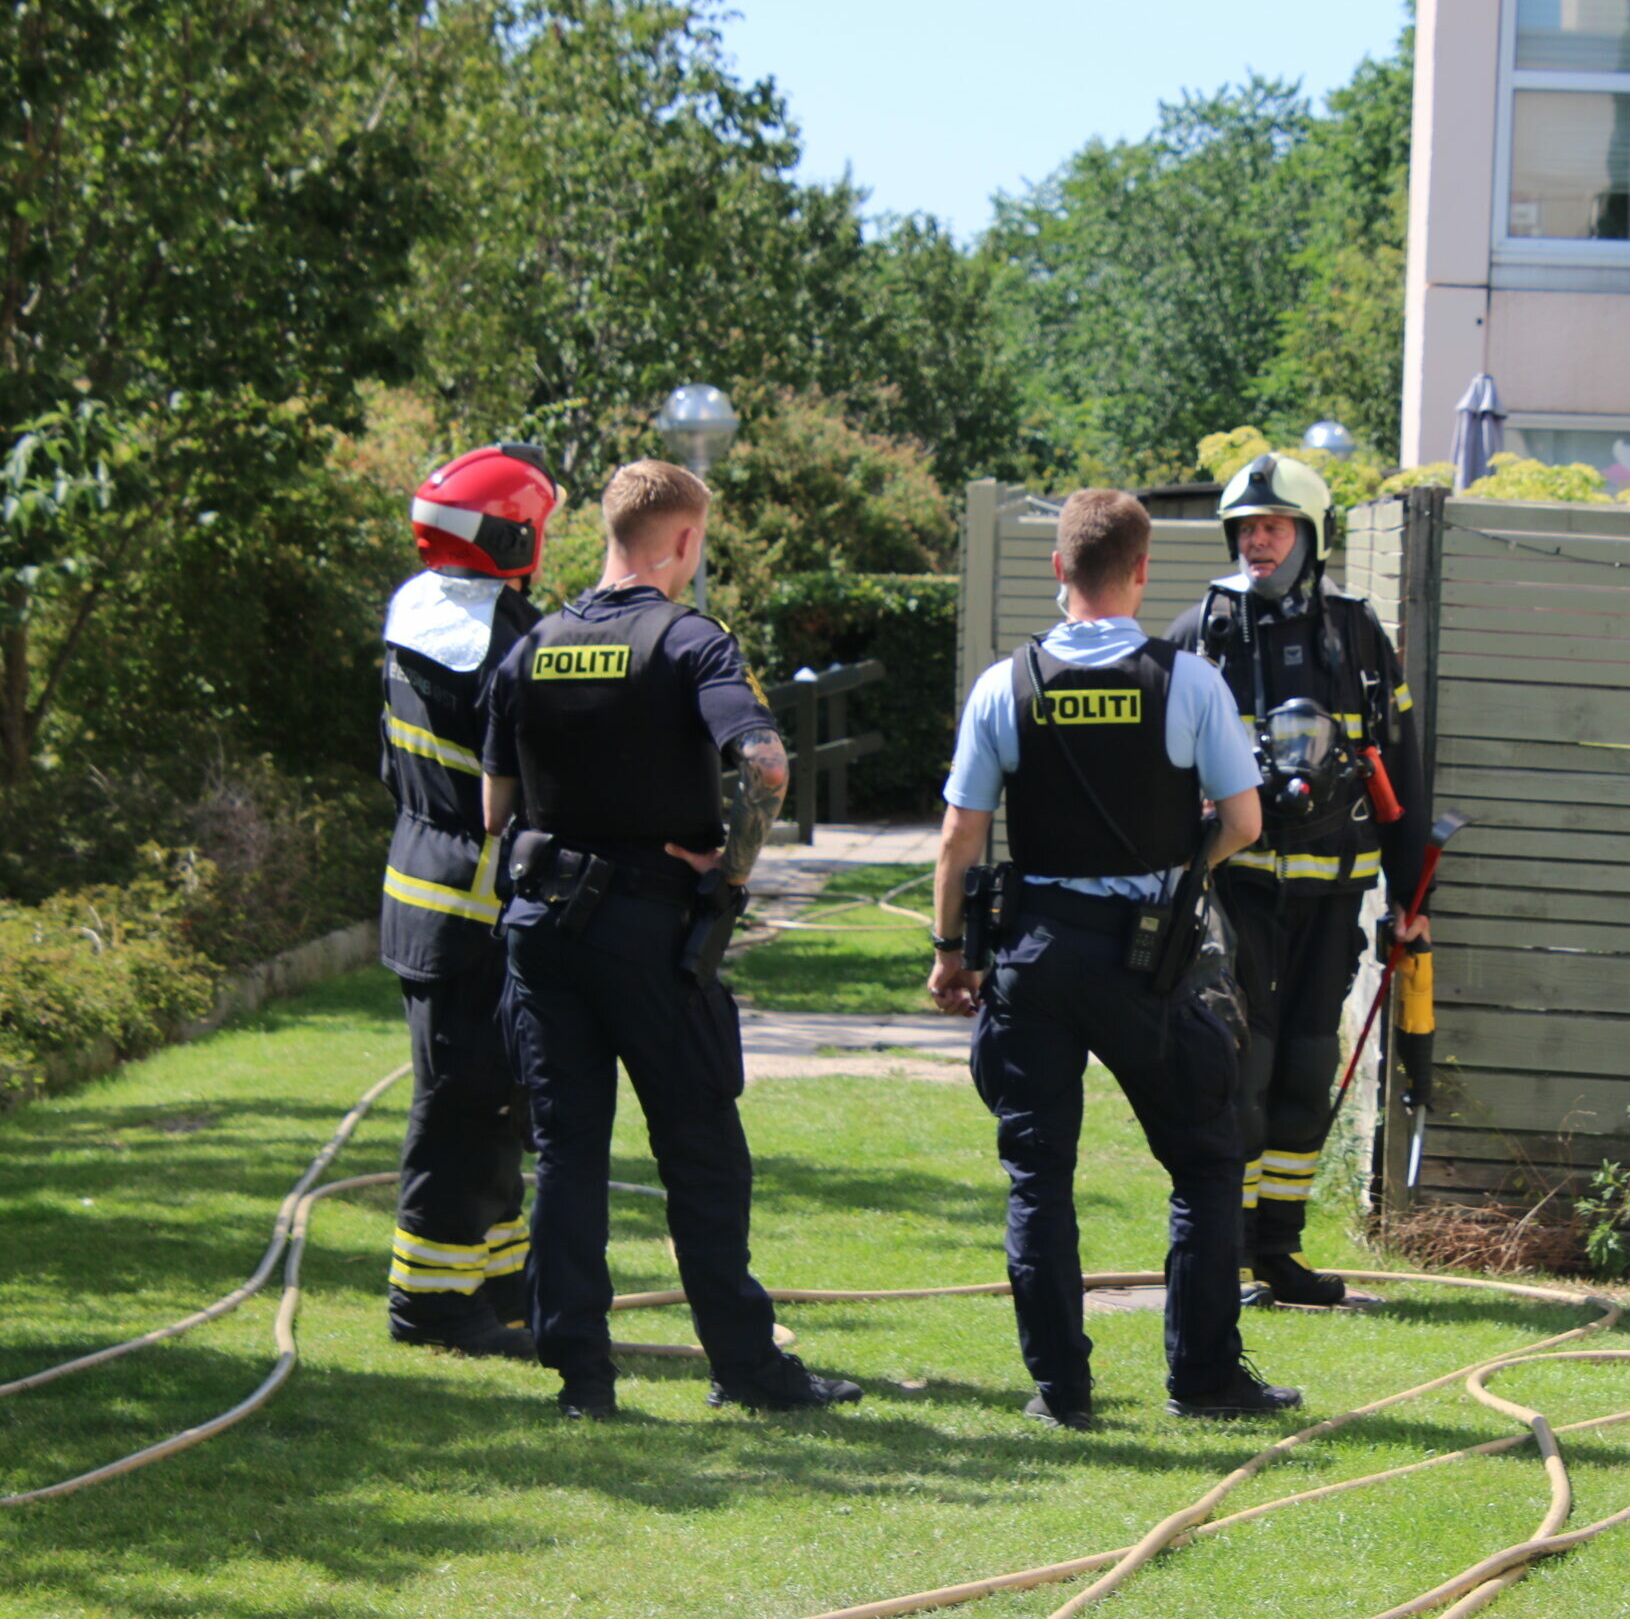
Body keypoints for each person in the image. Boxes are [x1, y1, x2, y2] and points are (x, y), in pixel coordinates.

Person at [480, 459, 858, 1420]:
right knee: (699, 1148)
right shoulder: (690, 640)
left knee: (567, 1152)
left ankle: (582, 1379)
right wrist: (729, 873)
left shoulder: (531, 645)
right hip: (648, 930)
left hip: (542, 925)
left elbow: (495, 809)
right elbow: (766, 764)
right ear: (683, 539)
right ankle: (746, 1366)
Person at [928, 488, 1297, 1430]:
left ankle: (1062, 1391)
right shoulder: (1190, 682)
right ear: (1140, 573)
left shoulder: (1003, 686)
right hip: (1150, 961)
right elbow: (1245, 822)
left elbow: (958, 839)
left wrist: (949, 955)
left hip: (1036, 954)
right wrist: (1180, 870)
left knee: (1039, 1175)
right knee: (1205, 1163)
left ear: (1060, 569)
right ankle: (1203, 1376)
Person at [1164, 454, 1431, 1307]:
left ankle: (1279, 1246)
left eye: (1273, 527)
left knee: (1306, 1068)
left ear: (1309, 535)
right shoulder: (1196, 631)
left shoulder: (1356, 636)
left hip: (1332, 895)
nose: (1257, 543)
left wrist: (1413, 903)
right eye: (1245, 529)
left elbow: (1405, 775)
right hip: (1233, 891)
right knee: (1241, 1062)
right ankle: (1229, 1245)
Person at [378, 444, 553, 1357]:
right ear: (513, 536)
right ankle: (434, 1306)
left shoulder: (416, 611)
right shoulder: (508, 640)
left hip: (424, 891)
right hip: (472, 907)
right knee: (462, 1103)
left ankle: (493, 1284)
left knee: (490, 1099)